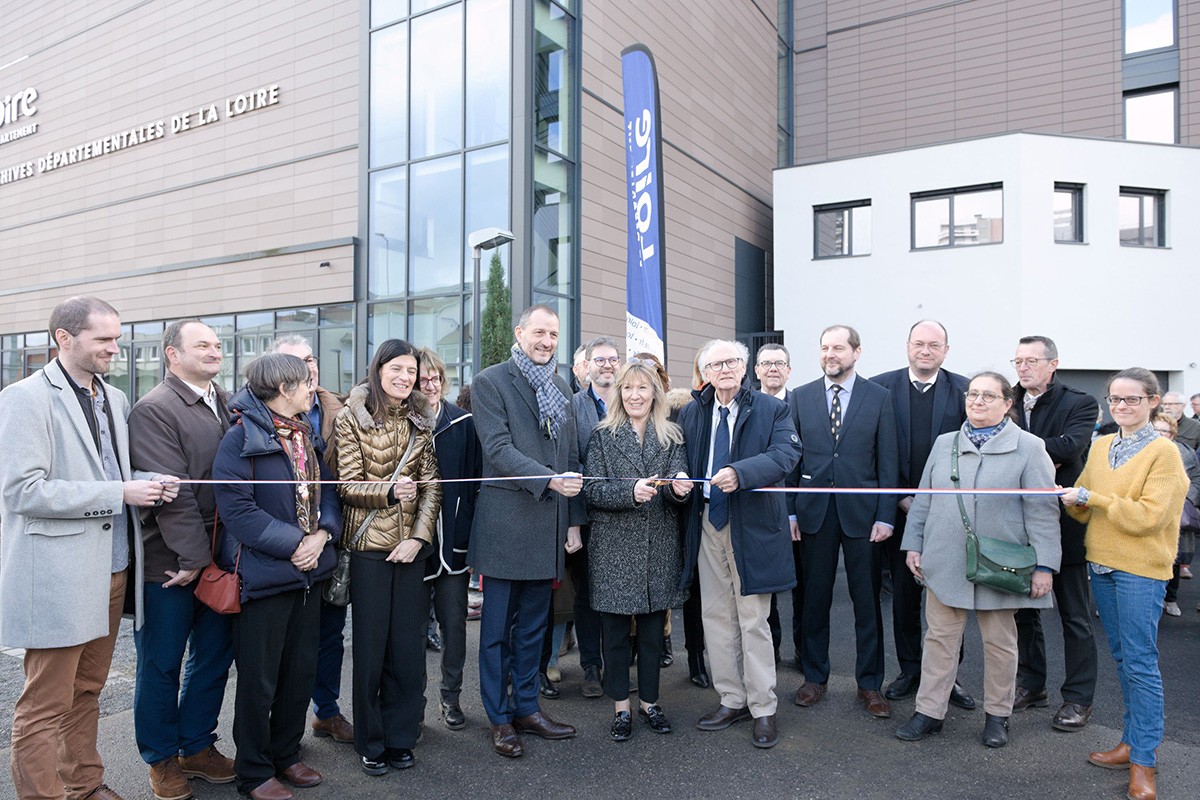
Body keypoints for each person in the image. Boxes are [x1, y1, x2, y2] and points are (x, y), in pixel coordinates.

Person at [0, 296, 178, 800]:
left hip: (113, 569)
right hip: (58, 575)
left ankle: (83, 785)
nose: (115, 349)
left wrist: (148, 480)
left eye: (117, 338)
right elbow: (22, 491)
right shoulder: (24, 398)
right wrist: (120, 492)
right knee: (43, 705)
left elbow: (110, 475)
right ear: (63, 338)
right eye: (104, 339)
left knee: (86, 693)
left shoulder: (114, 399)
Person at [894, 372, 1061, 748]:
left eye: (988, 395)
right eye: (973, 394)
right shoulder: (944, 443)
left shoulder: (1030, 447)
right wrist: (914, 545)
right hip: (944, 559)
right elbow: (924, 498)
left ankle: (998, 716)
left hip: (1000, 565)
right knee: (939, 640)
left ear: (1007, 403)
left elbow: (1042, 511)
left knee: (1000, 644)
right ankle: (929, 712)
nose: (978, 401)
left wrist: (1045, 565)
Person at [212, 353, 341, 800]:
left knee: (299, 672)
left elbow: (326, 492)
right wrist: (296, 544)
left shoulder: (305, 433)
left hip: (309, 574)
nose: (313, 388)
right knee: (259, 680)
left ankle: (287, 754)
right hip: (266, 576)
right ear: (285, 388)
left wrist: (323, 535)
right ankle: (253, 771)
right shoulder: (239, 439)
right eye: (306, 382)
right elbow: (238, 513)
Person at [1063, 368, 1188, 800]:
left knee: (1140, 665)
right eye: (1115, 399)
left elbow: (1148, 517)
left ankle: (1145, 764)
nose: (1121, 407)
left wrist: (1091, 500)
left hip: (1140, 570)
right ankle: (1132, 744)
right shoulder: (1100, 446)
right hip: (1101, 565)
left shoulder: (1164, 453)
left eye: (1131, 399)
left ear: (1153, 401)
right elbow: (1082, 504)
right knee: (1123, 660)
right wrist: (1074, 500)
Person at [468, 304, 586, 758]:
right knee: (497, 631)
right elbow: (497, 449)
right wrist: (547, 479)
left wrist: (572, 518)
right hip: (505, 527)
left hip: (548, 523)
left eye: (553, 335)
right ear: (519, 333)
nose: (546, 341)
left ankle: (528, 708)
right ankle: (499, 718)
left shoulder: (560, 385)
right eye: (539, 332)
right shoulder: (490, 382)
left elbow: (571, 456)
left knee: (534, 630)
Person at [129, 320, 235, 800]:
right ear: (172, 355)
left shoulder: (226, 401)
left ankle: (197, 746)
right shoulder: (155, 409)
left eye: (217, 344)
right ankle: (161, 759)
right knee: (162, 666)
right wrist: (193, 560)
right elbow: (173, 495)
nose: (214, 351)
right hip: (169, 567)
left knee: (213, 658)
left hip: (221, 560)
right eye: (202, 345)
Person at [678, 339, 801, 749]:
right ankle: (731, 699)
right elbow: (683, 463)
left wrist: (740, 472)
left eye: (731, 361)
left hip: (752, 527)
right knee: (716, 616)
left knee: (753, 619)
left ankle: (763, 707)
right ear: (705, 372)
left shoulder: (771, 408)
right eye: (716, 363)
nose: (725, 368)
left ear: (744, 367)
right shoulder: (693, 412)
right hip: (708, 525)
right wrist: (679, 484)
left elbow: (786, 455)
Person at [333, 339, 441, 774]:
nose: (404, 377)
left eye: (411, 371)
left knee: (407, 650)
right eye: (396, 368)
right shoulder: (350, 418)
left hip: (410, 550)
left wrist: (418, 538)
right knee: (372, 650)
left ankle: (400, 737)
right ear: (378, 369)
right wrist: (389, 491)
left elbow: (433, 484)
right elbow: (345, 485)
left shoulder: (420, 418)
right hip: (369, 550)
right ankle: (370, 740)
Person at [790, 325, 898, 719]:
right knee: (813, 599)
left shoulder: (879, 398)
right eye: (824, 348)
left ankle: (869, 684)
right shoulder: (799, 397)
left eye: (838, 347)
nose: (830, 354)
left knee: (866, 602)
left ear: (856, 352)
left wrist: (886, 515)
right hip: (813, 513)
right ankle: (814, 677)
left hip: (864, 516)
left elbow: (888, 460)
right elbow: (792, 459)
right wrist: (789, 511)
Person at [584, 360, 692, 741]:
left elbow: (678, 487)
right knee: (613, 635)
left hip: (658, 547)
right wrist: (629, 493)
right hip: (614, 548)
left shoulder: (672, 437)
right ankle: (621, 708)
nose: (634, 395)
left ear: (654, 393)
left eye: (642, 388)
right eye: (627, 388)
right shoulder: (601, 437)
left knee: (651, 635)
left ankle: (649, 702)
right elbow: (591, 490)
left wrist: (679, 490)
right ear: (619, 394)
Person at [870, 321, 975, 710]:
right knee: (902, 596)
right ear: (907, 347)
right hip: (899, 511)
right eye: (919, 343)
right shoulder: (880, 388)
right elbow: (873, 448)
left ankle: (950, 676)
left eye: (934, 345)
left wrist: (937, 504)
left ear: (946, 350)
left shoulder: (966, 390)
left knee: (949, 593)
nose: (925, 350)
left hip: (950, 514)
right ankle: (910, 670)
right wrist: (900, 497)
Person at [267, 335, 355, 746]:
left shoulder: (343, 408)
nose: (309, 368)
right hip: (282, 548)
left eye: (312, 359)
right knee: (287, 644)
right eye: (298, 362)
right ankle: (284, 729)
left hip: (332, 541)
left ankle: (327, 712)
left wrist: (324, 534)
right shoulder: (259, 416)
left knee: (329, 635)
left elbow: (336, 485)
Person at [1011, 335, 1100, 731]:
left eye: (1032, 360)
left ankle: (1078, 699)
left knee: (1074, 617)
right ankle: (1032, 685)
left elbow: (1069, 447)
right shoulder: (1006, 398)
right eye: (1018, 360)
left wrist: (1011, 449)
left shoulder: (1079, 403)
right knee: (1023, 613)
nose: (1023, 367)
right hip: (1016, 525)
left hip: (1065, 524)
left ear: (1053, 364)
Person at [416, 346, 480, 730]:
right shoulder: (401, 422)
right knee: (409, 633)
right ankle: (415, 704)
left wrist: (467, 536)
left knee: (454, 625)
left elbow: (474, 485)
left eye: (436, 378)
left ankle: (450, 698)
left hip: (453, 545)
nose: (431, 385)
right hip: (414, 546)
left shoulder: (463, 423)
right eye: (423, 380)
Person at [564, 335, 622, 698]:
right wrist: (572, 520)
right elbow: (569, 464)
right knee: (587, 594)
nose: (607, 366)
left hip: (626, 514)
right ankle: (590, 668)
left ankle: (617, 665)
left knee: (619, 593)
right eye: (599, 360)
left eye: (613, 359)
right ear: (586, 366)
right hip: (587, 514)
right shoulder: (573, 407)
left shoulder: (634, 400)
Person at [755, 344, 803, 667]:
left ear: (789, 370)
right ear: (756, 371)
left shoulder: (803, 406)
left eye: (779, 363)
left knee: (802, 589)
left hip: (799, 516)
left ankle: (802, 652)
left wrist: (794, 511)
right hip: (758, 515)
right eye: (766, 363)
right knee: (764, 593)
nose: (773, 368)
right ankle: (769, 651)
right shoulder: (747, 405)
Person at [1149, 412, 1200, 617]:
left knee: (1172, 558)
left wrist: (1185, 498)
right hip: (1147, 511)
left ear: (1172, 434)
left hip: (1175, 512)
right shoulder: (1139, 451)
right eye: (1156, 430)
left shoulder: (1185, 453)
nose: (1160, 434)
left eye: (1165, 431)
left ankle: (1170, 598)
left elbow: (1196, 480)